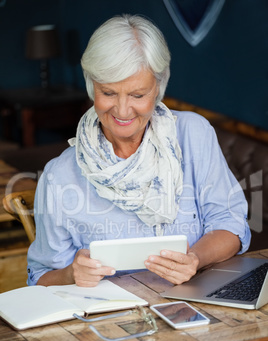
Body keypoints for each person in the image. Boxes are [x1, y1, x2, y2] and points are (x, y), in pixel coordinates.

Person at [27, 14, 251, 288]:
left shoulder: (194, 135)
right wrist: (70, 275)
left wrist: (194, 258)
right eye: (108, 93)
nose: (122, 111)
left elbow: (231, 224)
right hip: (107, 323)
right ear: (91, 86)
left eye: (137, 95)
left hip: (194, 305)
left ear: (158, 88)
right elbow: (40, 279)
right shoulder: (60, 175)